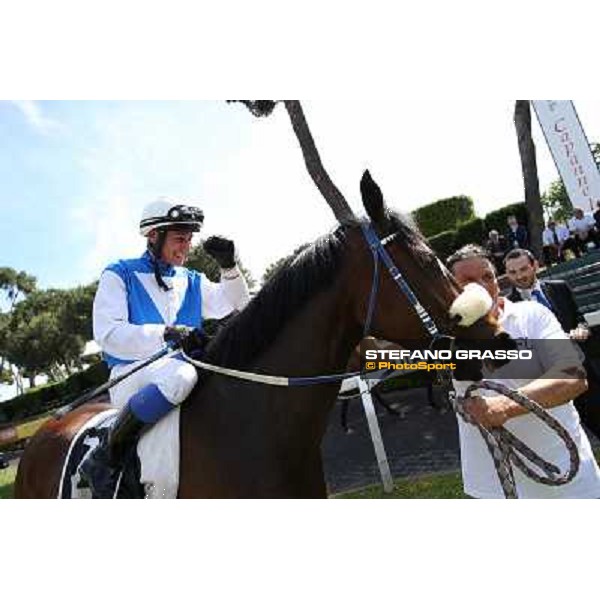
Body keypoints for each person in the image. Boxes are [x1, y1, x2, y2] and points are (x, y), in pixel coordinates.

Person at [79, 198, 251, 498]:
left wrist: (229, 267)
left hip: (183, 368)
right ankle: (106, 456)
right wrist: (167, 333)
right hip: (132, 373)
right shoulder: (119, 273)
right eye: (179, 239)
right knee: (181, 376)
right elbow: (107, 334)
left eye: (189, 239)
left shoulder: (192, 280)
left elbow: (239, 305)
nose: (186, 247)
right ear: (153, 236)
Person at [445, 244, 600, 498]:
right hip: (493, 485)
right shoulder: (444, 335)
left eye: (487, 276)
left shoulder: (533, 314)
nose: (482, 287)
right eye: (468, 282)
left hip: (568, 475)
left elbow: (573, 376)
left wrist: (505, 407)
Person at [504, 247, 600, 439]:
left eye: (523, 269)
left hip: (583, 369)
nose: (519, 276)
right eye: (513, 272)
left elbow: (579, 318)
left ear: (535, 266)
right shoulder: (508, 307)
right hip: (549, 381)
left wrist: (582, 329)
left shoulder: (559, 288)